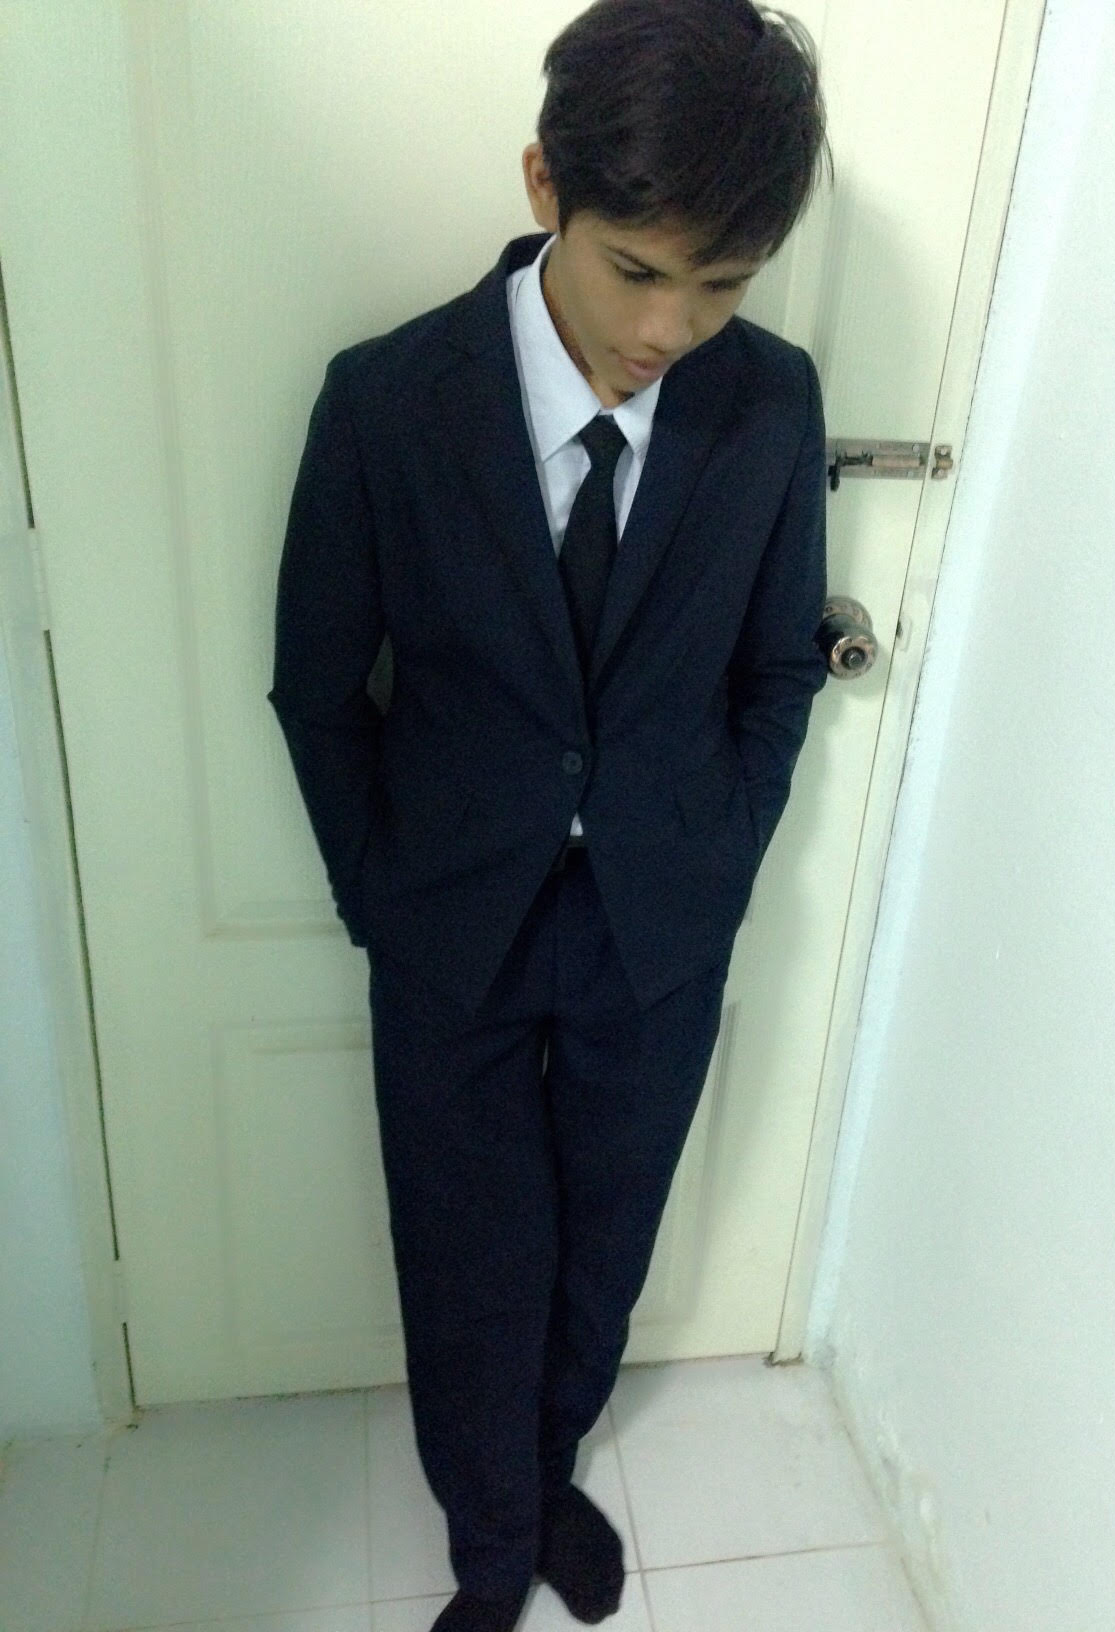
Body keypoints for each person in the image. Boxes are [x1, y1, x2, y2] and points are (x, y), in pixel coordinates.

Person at [268, 1, 832, 1626]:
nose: (669, 329)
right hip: (451, 914)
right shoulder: (386, 401)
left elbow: (777, 666)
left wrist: (719, 857)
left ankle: (547, 1463)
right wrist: (380, 895)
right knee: (466, 1245)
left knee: (604, 1235)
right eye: (639, 270)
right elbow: (320, 687)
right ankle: (487, 1534)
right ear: (544, 187)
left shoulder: (769, 404)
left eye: (721, 287)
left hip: (658, 917)